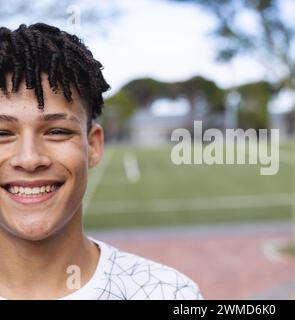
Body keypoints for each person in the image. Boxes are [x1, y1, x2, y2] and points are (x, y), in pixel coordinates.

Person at [0, 23, 203, 300]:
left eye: (57, 131)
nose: (30, 159)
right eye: (2, 134)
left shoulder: (168, 293)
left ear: (93, 145)